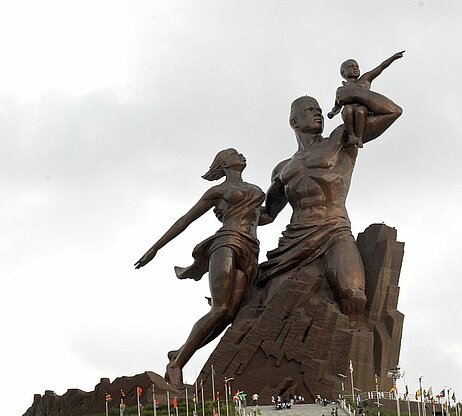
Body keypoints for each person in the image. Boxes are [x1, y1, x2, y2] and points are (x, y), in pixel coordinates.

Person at [259, 84, 402, 327]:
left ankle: (350, 361)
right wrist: (231, 207)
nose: (317, 112)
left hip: (334, 230)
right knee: (272, 307)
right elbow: (267, 214)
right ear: (294, 120)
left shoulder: (341, 138)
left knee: (353, 295)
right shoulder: (283, 168)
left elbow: (392, 112)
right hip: (294, 239)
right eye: (310, 109)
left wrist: (357, 94)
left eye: (319, 109)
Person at [135, 148, 268, 386]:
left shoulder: (256, 190)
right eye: (234, 153)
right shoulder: (217, 191)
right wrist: (155, 248)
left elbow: (265, 217)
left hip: (251, 249)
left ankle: (180, 351)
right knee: (219, 308)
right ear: (224, 163)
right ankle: (176, 364)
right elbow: (185, 220)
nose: (242, 155)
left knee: (228, 315)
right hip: (226, 242)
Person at [327, 51, 404, 148]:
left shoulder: (365, 79)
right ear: (343, 73)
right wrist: (332, 113)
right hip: (349, 110)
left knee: (361, 111)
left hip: (362, 109)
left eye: (357, 66)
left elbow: (380, 68)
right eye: (351, 67)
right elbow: (337, 106)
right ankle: (351, 135)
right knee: (347, 109)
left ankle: (359, 137)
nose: (355, 68)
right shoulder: (341, 89)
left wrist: (392, 58)